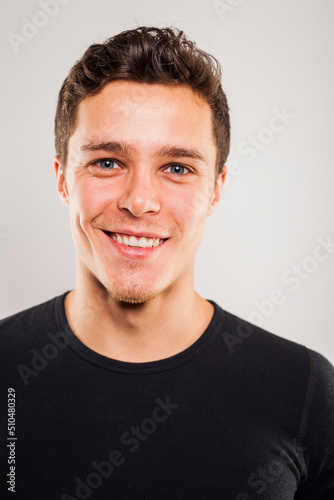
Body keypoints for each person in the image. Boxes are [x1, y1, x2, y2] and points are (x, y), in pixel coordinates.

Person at [0, 26, 333, 500]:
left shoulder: (304, 388)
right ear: (62, 179)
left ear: (215, 189)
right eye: (107, 162)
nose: (139, 201)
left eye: (177, 168)